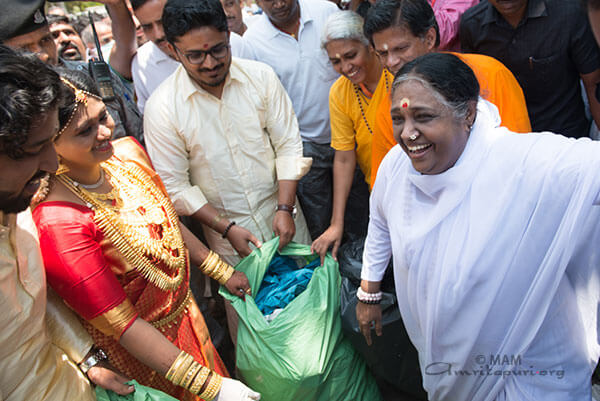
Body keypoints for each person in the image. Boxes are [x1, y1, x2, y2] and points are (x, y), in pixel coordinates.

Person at [358, 51, 600, 401]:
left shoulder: (521, 163)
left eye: (423, 117)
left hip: (531, 371)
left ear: (468, 113)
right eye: (399, 118)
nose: (408, 134)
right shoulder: (396, 167)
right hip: (449, 367)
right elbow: (379, 222)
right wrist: (369, 290)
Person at [32, 68, 260, 401]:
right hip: (142, 357)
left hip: (188, 318)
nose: (104, 132)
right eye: (85, 131)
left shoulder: (126, 155)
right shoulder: (59, 222)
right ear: (51, 144)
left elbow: (165, 220)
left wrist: (220, 271)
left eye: (103, 117)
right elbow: (122, 324)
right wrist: (211, 386)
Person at [0, 44, 134, 401]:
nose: (49, 163)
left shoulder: (17, 201)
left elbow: (32, 301)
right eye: (32, 151)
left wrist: (87, 356)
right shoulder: (54, 216)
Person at [364, 0, 531, 186]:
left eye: (401, 49)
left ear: (429, 38)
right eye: (383, 54)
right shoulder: (391, 108)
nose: (391, 62)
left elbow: (519, 160)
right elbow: (386, 185)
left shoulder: (490, 75)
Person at [242, 0, 349, 242]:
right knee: (318, 221)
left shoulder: (326, 13)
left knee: (356, 210)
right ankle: (330, 274)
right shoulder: (253, 41)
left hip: (349, 136)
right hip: (304, 146)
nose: (278, 3)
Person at [0, 0, 143, 142]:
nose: (42, 54)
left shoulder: (93, 75)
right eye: (25, 48)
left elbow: (137, 137)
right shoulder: (5, 103)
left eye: (45, 40)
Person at [460, 0, 600, 139]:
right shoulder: (472, 24)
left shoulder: (570, 15)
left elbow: (593, 83)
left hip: (565, 137)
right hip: (506, 139)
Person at [311, 11, 388, 262]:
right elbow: (344, 159)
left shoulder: (398, 76)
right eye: (335, 61)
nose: (345, 68)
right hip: (379, 197)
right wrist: (336, 223)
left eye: (350, 55)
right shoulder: (340, 93)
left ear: (370, 46)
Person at [130, 0, 247, 113]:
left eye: (162, 22)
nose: (158, 34)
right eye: (147, 27)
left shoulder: (236, 44)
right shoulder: (141, 64)